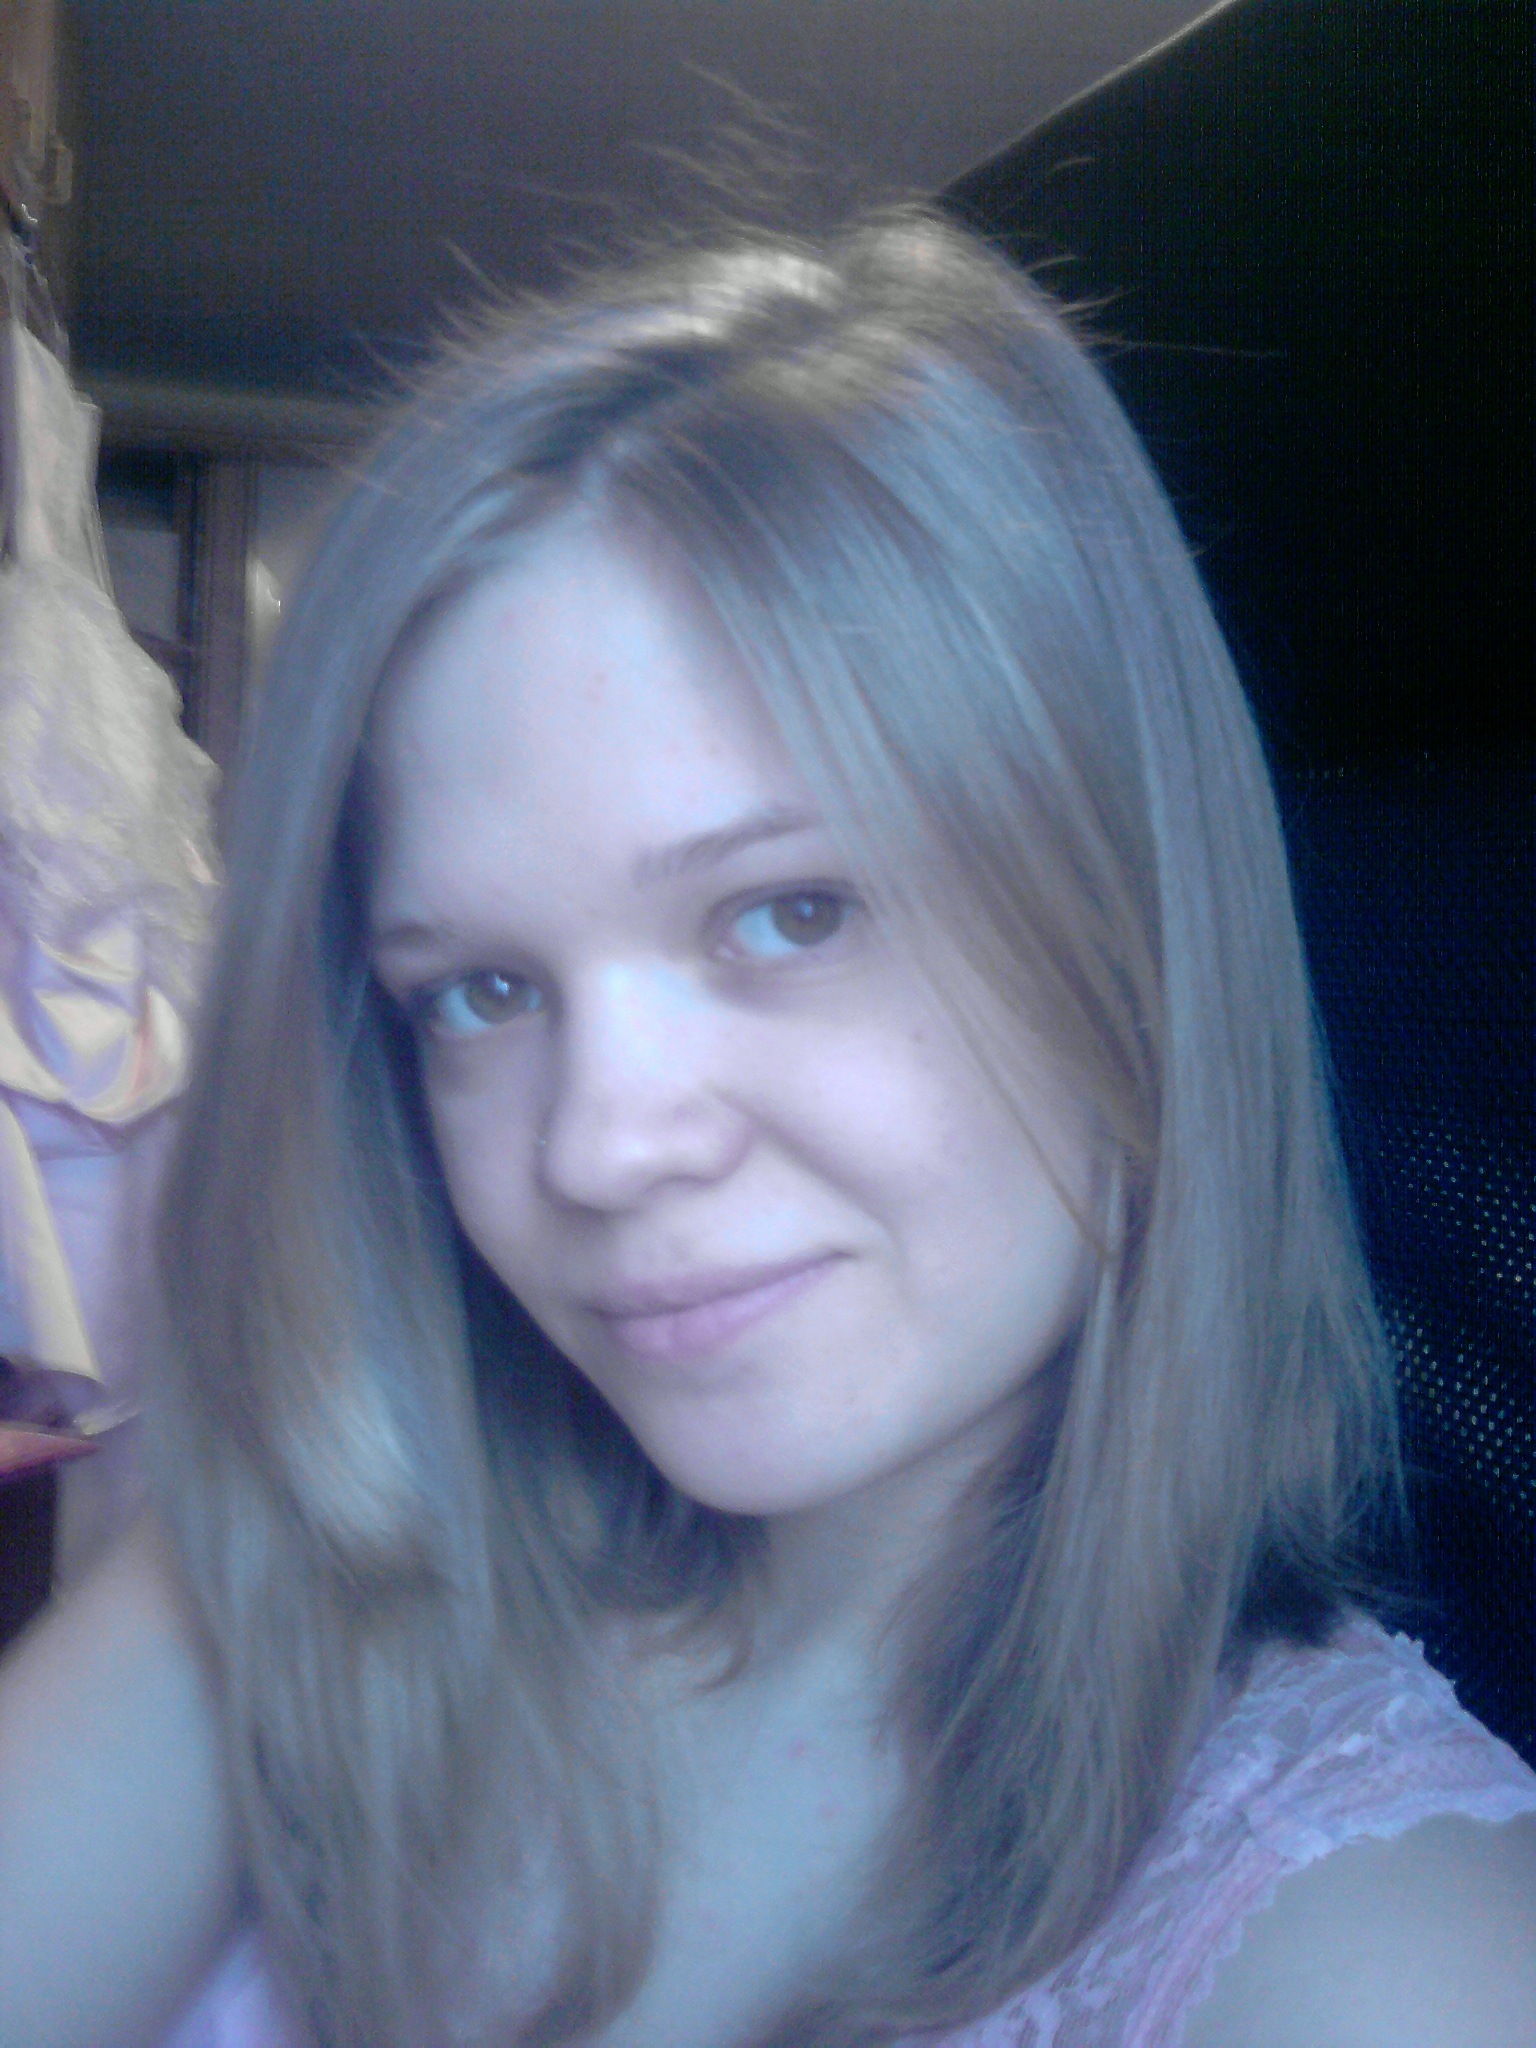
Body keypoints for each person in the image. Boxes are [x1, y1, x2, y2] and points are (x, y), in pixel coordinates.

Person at [1, 205, 1533, 2048]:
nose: (597, 1149)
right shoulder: (313, 1580)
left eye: (791, 913)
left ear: (1135, 932)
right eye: (478, 991)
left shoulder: (1388, 1949)